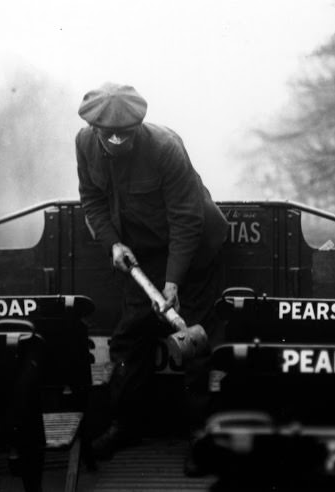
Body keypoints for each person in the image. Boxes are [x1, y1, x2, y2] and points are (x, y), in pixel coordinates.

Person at [75, 82, 229, 473]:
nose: (115, 140)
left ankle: (200, 436)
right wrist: (112, 243)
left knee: (193, 341)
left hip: (192, 252)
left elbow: (187, 219)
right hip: (139, 256)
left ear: (137, 126)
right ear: (93, 129)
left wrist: (174, 282)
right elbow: (92, 199)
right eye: (106, 134)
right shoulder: (84, 144)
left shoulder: (164, 148)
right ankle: (124, 425)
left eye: (124, 133)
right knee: (130, 338)